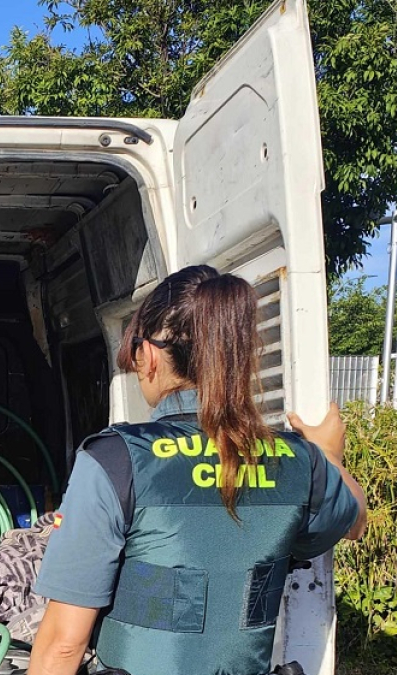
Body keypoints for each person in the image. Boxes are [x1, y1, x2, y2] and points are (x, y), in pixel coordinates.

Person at [28, 265, 367, 675]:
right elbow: (355, 519)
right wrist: (329, 454)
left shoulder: (117, 459)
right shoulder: (300, 461)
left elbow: (63, 647)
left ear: (148, 354)